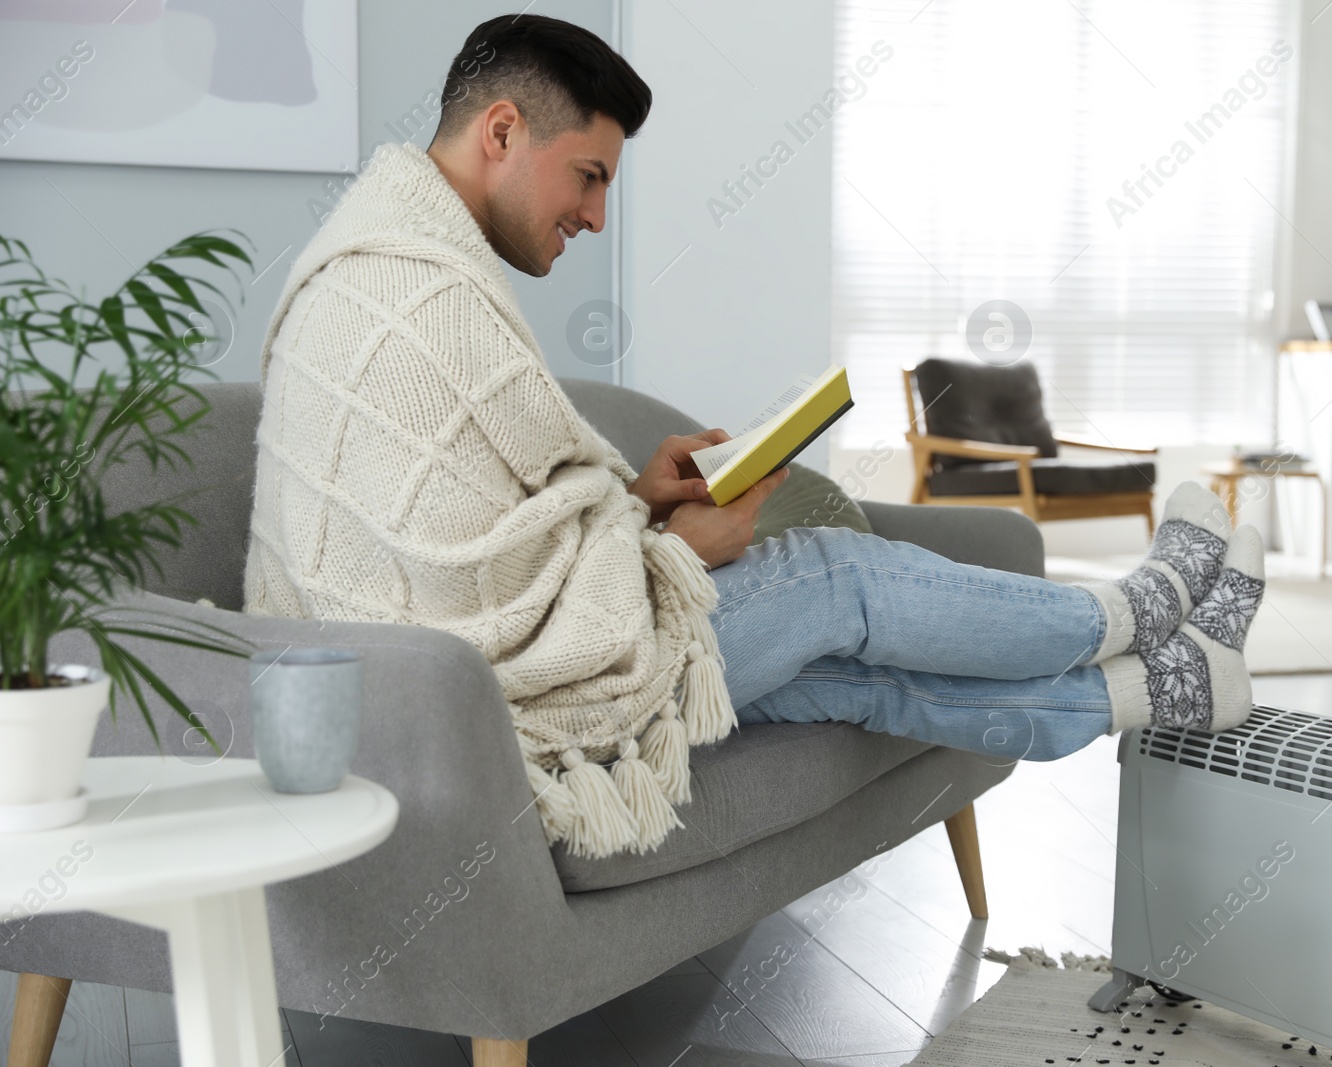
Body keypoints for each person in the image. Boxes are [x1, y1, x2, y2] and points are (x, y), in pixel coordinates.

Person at [243, 14, 1265, 860]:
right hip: (487, 709)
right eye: (588, 175)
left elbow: (467, 538)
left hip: (458, 684)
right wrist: (680, 551)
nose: (595, 215)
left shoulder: (390, 257)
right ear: (503, 132)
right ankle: (1140, 607)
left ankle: (1165, 683)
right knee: (831, 576)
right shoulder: (414, 292)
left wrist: (638, 503)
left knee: (844, 680)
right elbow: (455, 603)